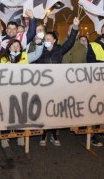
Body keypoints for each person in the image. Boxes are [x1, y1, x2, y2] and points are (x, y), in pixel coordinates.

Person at [37, 17, 80, 146]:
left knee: (55, 110)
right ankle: (44, 135)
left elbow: (70, 42)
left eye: (49, 39)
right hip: (44, 86)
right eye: (45, 39)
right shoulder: (40, 52)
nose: (47, 41)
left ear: (54, 41)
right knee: (45, 110)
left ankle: (55, 135)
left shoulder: (59, 50)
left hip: (57, 86)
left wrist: (75, 28)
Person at [0, 38, 44, 148]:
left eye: (18, 46)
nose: (16, 47)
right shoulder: (3, 58)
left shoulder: (25, 56)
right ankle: (4, 137)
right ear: (9, 47)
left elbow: (37, 54)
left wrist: (39, 44)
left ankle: (20, 136)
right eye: (13, 46)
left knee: (20, 113)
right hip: (6, 90)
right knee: (6, 114)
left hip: (22, 91)